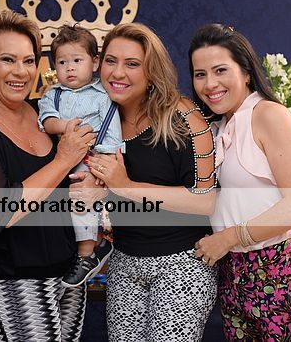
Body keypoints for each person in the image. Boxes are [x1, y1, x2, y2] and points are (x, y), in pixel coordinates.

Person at [0, 10, 95, 342]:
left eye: (29, 61)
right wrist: (63, 160)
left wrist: (92, 181)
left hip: (69, 269)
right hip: (14, 276)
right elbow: (0, 209)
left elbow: (81, 170)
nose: (21, 71)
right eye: (8, 59)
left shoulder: (46, 112)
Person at [75, 22, 218, 342]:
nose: (117, 73)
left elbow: (206, 201)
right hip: (125, 262)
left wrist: (125, 186)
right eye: (111, 61)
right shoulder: (97, 119)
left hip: (182, 264)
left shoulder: (182, 116)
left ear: (152, 72)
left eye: (132, 64)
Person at [188, 23, 291, 340]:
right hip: (234, 277)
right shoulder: (217, 126)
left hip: (282, 276)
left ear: (247, 72)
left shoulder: (268, 115)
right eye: (200, 74)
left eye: (220, 70)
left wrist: (228, 238)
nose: (210, 84)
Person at [38, 24, 123, 288]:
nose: (70, 68)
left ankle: (86, 254)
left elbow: (112, 129)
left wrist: (102, 163)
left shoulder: (103, 94)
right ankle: (90, 244)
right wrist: (66, 126)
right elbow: (47, 121)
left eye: (77, 61)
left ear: (94, 62)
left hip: (97, 155)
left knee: (81, 197)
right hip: (62, 157)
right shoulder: (53, 94)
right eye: (62, 62)